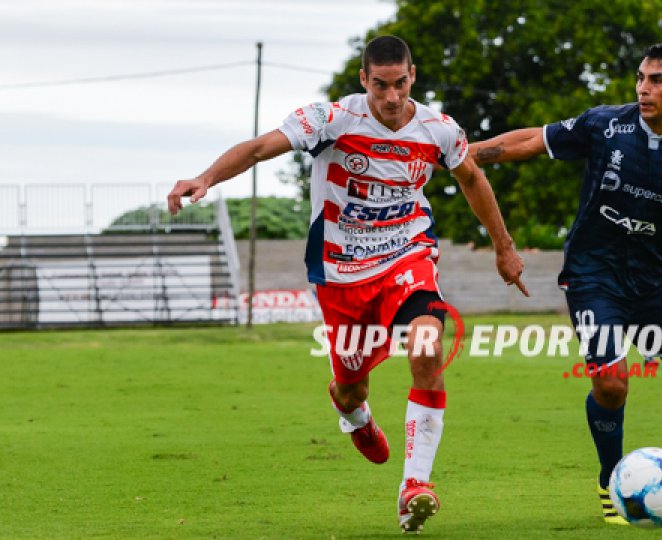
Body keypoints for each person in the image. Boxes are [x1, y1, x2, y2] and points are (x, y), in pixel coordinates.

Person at [167, 35, 528, 534]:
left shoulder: (439, 130)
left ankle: (414, 487)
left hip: (407, 253)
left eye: (400, 84)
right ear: (364, 80)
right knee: (350, 384)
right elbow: (257, 149)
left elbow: (471, 178)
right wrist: (205, 179)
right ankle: (355, 416)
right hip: (339, 271)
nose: (392, 96)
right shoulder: (331, 119)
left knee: (427, 346)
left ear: (412, 77)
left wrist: (504, 246)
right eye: (380, 85)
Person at [469, 38, 662, 525]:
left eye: (657, 80)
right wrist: (466, 153)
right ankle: (611, 478)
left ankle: (641, 340)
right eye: (641, 78)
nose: (643, 89)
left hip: (653, 277)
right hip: (593, 273)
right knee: (612, 385)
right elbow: (531, 140)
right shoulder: (606, 124)